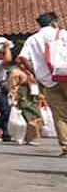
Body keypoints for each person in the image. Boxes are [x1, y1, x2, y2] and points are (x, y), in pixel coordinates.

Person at [17, 12, 67, 156]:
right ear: (54, 22)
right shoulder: (62, 33)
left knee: (60, 115)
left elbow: (21, 58)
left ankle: (65, 148)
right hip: (66, 75)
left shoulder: (32, 39)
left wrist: (34, 72)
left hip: (49, 81)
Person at [8, 62, 43, 145]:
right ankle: (29, 138)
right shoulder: (16, 72)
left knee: (35, 116)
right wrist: (14, 96)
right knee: (27, 116)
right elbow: (13, 86)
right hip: (23, 96)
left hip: (32, 96)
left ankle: (32, 137)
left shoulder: (31, 71)